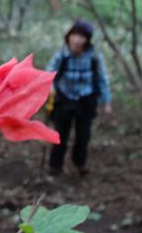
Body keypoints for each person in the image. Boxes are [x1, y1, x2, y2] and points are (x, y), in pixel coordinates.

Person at [46, 20, 112, 176]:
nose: (77, 40)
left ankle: (80, 162)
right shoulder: (61, 55)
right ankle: (55, 166)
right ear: (68, 37)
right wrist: (49, 89)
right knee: (60, 135)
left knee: (83, 136)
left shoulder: (94, 57)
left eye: (82, 37)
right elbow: (49, 74)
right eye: (74, 35)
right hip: (64, 99)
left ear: (87, 40)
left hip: (86, 101)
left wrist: (106, 101)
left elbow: (102, 78)